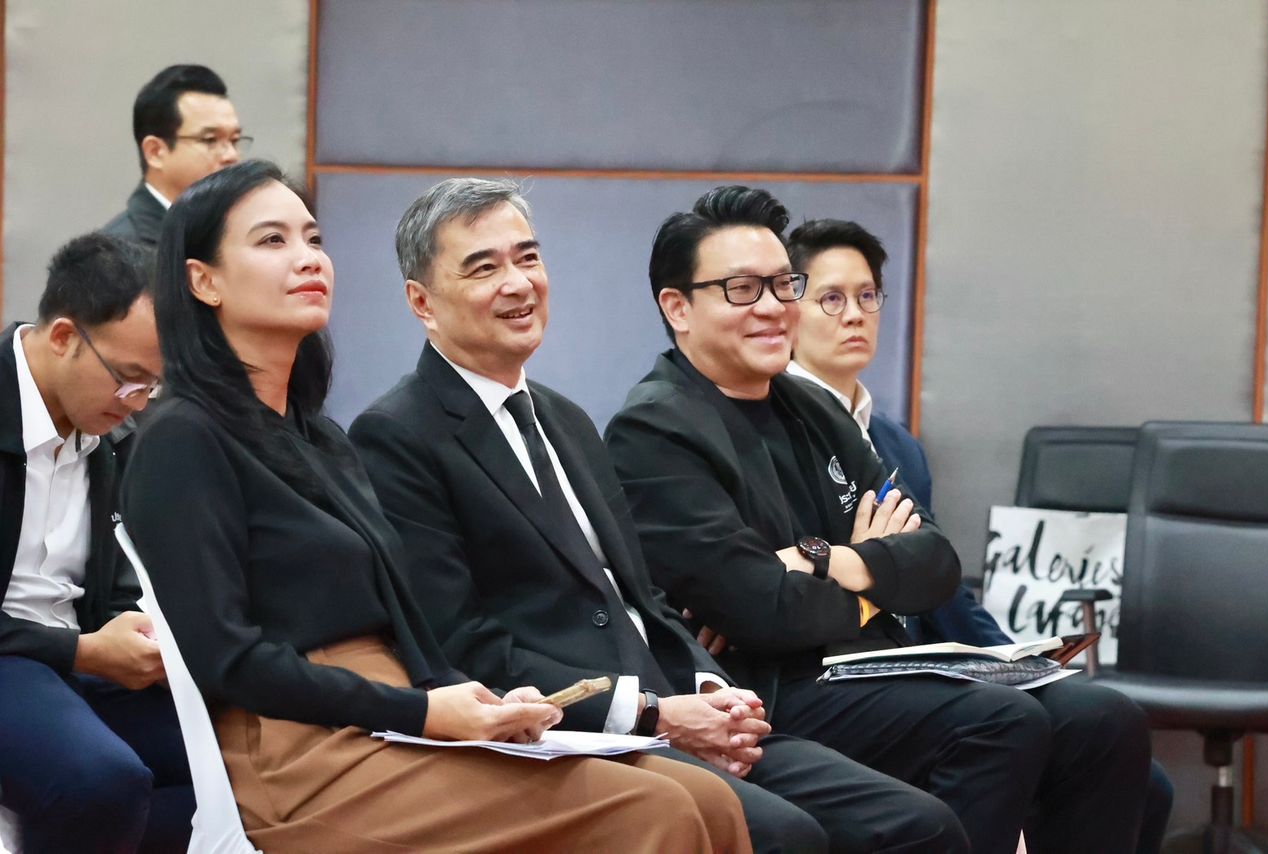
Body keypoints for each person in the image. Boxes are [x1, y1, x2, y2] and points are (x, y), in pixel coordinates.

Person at [120, 159, 751, 852]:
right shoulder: (182, 436)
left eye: (313, 239)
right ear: (203, 280)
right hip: (298, 750)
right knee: (652, 811)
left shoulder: (319, 437)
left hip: (391, 714)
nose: (309, 259)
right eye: (273, 241)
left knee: (709, 801)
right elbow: (227, 659)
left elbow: (407, 623)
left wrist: (485, 701)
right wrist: (423, 710)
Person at [350, 177, 968, 853]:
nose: (519, 283)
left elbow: (642, 601)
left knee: (920, 826)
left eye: (528, 258)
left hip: (673, 704)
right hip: (563, 733)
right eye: (484, 267)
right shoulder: (398, 434)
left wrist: (710, 686)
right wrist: (652, 713)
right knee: (787, 835)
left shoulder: (564, 419)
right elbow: (460, 644)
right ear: (422, 302)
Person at [604, 185, 1154, 854]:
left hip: (876, 664)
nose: (774, 306)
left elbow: (937, 564)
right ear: (678, 307)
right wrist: (873, 583)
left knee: (1105, 719)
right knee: (997, 721)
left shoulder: (811, 406)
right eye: (742, 289)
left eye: (783, 284)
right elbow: (763, 611)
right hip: (774, 689)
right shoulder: (654, 429)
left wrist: (824, 561)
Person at [785, 216, 1175, 854]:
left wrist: (1021, 663)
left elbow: (940, 590)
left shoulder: (895, 444)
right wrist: (873, 564)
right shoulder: (776, 434)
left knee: (1133, 761)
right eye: (831, 298)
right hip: (840, 676)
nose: (854, 314)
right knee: (1026, 735)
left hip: (926, 663)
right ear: (789, 311)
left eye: (867, 295)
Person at [0, 234, 192, 852]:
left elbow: (112, 589)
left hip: (71, 656)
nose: (137, 404)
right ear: (63, 337)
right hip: (17, 656)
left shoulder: (107, 431)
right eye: (128, 379)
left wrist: (146, 637)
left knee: (237, 756)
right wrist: (84, 651)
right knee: (101, 783)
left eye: (153, 384)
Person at [101, 65, 245, 248]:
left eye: (234, 140)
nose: (231, 156)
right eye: (210, 140)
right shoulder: (115, 253)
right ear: (155, 152)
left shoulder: (235, 236)